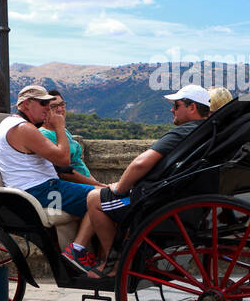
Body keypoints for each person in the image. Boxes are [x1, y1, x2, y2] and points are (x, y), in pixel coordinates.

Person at [66, 84, 214, 277]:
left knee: (95, 199)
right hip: (189, 201)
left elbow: (140, 164)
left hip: (157, 203)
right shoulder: (209, 132)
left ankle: (116, 264)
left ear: (192, 107)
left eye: (176, 105)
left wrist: (119, 188)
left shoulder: (183, 132)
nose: (172, 110)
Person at [0, 85, 99, 273]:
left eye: (49, 104)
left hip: (41, 188)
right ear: (26, 104)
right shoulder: (23, 128)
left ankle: (89, 251)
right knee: (101, 198)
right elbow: (63, 158)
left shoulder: (13, 124)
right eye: (43, 103)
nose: (47, 108)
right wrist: (60, 126)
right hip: (41, 192)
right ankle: (78, 251)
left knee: (101, 195)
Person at [41, 94, 101, 186]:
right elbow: (64, 172)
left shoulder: (63, 131)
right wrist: (98, 186)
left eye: (62, 104)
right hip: (73, 186)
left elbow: (78, 163)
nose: (60, 109)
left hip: (87, 183)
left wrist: (97, 183)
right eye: (53, 106)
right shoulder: (44, 134)